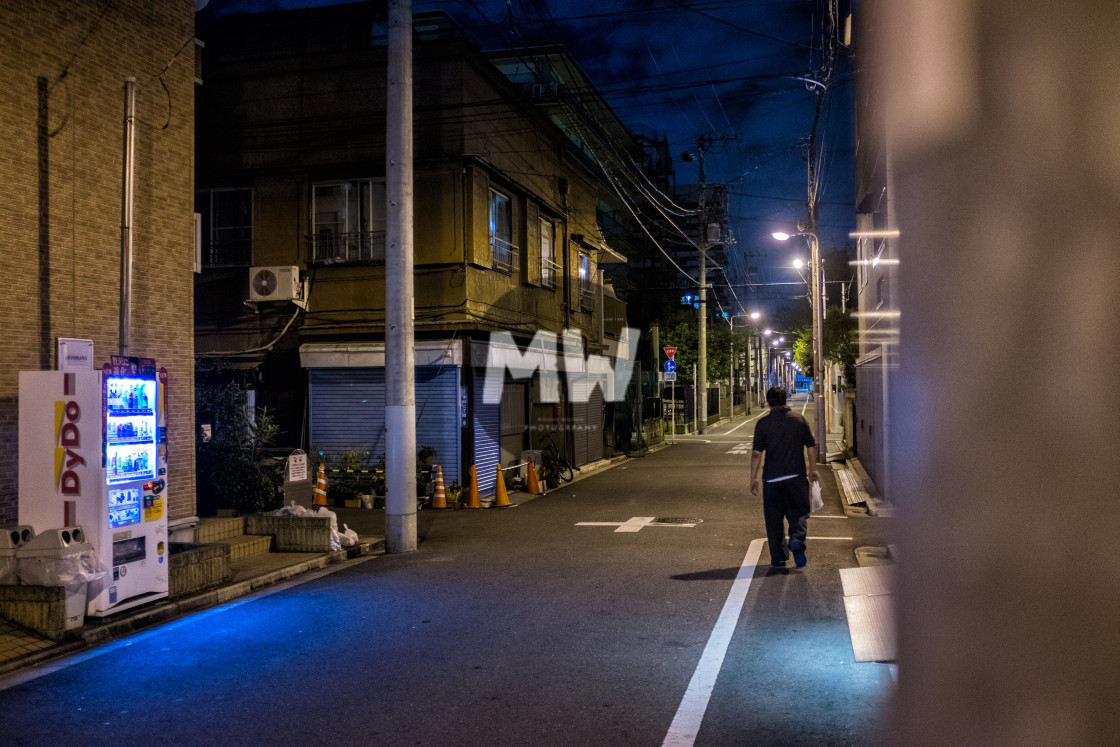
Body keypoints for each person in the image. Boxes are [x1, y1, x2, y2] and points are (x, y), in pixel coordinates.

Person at [750, 387, 820, 568]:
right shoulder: (799, 420)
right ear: (785, 399)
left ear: (768, 401)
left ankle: (779, 557)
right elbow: (811, 445)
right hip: (796, 476)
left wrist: (753, 478)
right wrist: (812, 469)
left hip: (772, 479)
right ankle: (796, 540)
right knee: (799, 514)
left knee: (773, 519)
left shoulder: (763, 424)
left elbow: (757, 453)